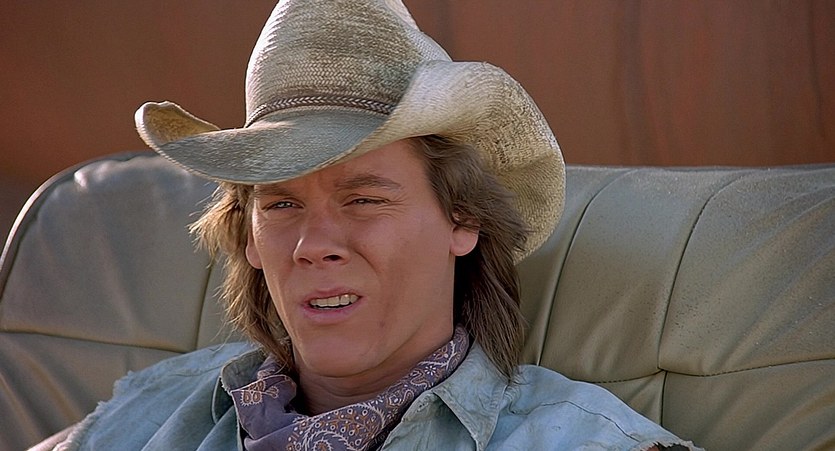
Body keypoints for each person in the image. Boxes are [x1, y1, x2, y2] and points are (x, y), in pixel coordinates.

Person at [48, 0, 700, 449]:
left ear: (462, 218)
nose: (313, 246)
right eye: (280, 204)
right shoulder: (153, 410)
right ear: (247, 239)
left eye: (363, 199)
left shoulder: (577, 440)